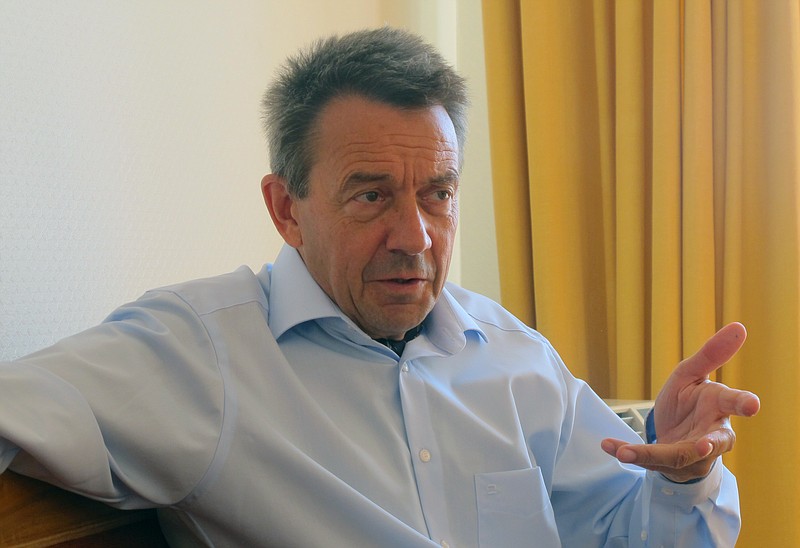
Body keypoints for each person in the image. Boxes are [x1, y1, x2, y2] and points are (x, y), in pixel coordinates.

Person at [0, 27, 759, 547]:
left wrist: (685, 475)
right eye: (370, 195)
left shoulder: (518, 360)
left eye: (437, 194)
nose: (416, 236)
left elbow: (627, 534)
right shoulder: (202, 354)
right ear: (285, 208)